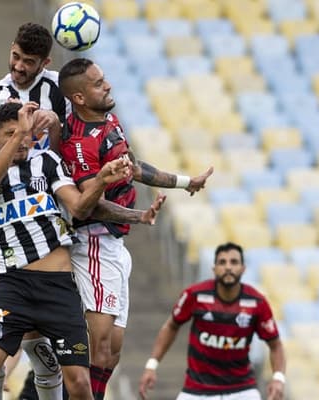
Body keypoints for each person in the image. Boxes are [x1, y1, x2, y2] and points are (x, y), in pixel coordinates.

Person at [0, 101, 165, 400]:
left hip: (59, 289)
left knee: (80, 384)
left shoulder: (48, 163)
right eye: (12, 133)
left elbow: (80, 206)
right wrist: (21, 133)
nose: (23, 139)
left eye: (26, 133)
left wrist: (102, 181)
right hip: (14, 286)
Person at [56, 57, 214, 399]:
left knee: (112, 350)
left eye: (104, 79)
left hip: (115, 246)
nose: (108, 85)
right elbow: (89, 203)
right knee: (96, 347)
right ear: (79, 98)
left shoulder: (108, 120)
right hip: (95, 242)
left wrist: (185, 181)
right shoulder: (81, 143)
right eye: (98, 84)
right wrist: (138, 216)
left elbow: (134, 167)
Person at [0, 22, 71, 400]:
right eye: (15, 56)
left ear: (44, 62)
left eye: (28, 62)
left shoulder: (58, 88)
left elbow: (65, 152)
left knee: (39, 338)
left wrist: (56, 125)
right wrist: (19, 131)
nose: (18, 67)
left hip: (44, 216)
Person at [138, 242, 286, 400]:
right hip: (197, 389)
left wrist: (278, 378)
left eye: (234, 262)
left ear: (243, 269)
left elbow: (275, 345)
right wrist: (151, 365)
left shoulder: (257, 302)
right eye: (222, 262)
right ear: (214, 269)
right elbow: (171, 326)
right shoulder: (194, 295)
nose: (228, 267)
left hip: (242, 389)